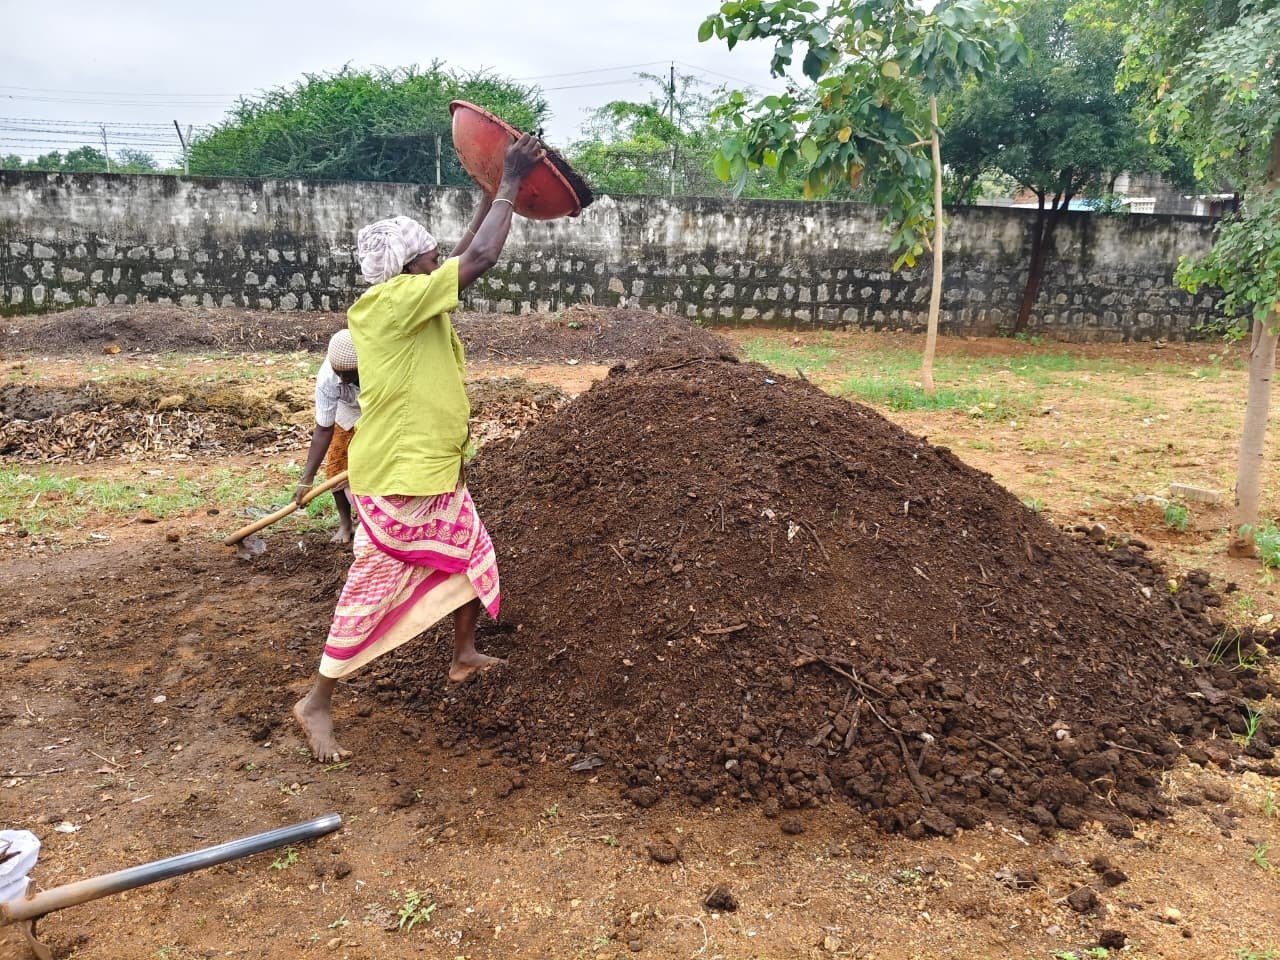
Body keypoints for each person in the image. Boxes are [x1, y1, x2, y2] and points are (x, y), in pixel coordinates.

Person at [293, 133, 546, 763]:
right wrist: (511, 182)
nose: (440, 260)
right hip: (397, 477)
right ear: (411, 269)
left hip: (435, 470)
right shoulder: (389, 307)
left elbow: (462, 252)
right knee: (371, 585)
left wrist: (492, 192)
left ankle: (462, 655)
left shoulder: (412, 299)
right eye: (429, 256)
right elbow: (481, 256)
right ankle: (316, 701)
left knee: (471, 555)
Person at [295, 329, 360, 545]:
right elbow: (323, 429)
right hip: (347, 409)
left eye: (349, 374)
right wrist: (307, 479)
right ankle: (345, 523)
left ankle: (372, 518)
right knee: (337, 464)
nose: (342, 378)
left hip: (381, 407)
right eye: (338, 372)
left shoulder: (381, 369)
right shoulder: (328, 379)